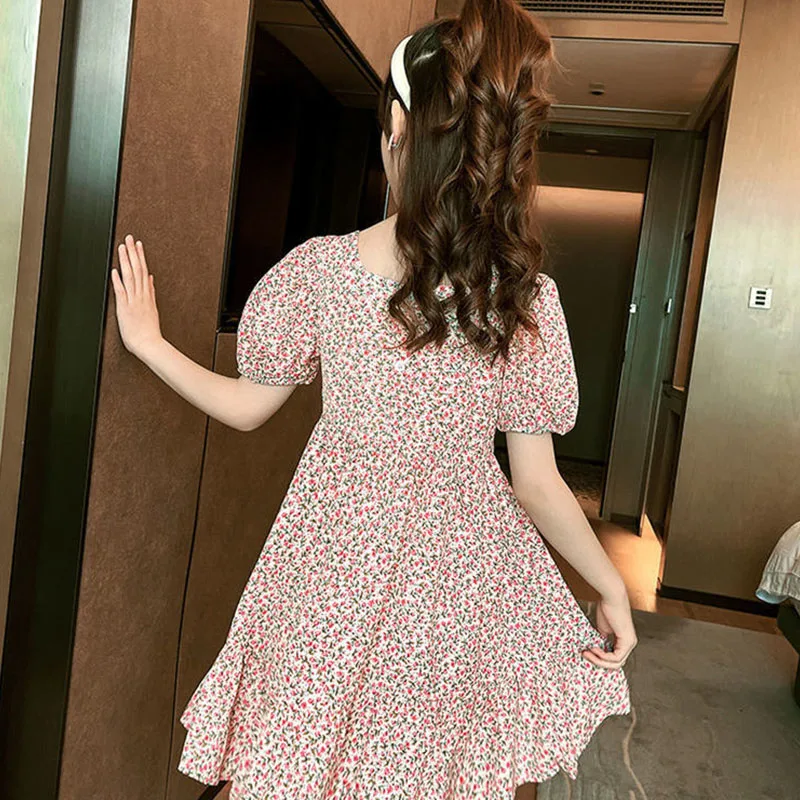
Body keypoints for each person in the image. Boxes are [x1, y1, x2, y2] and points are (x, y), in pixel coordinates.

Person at [110, 0, 636, 796]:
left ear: (398, 127)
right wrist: (609, 585)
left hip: (331, 566)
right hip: (455, 583)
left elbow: (248, 407)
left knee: (299, 758)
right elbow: (536, 484)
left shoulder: (320, 271)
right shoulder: (521, 297)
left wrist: (151, 345)